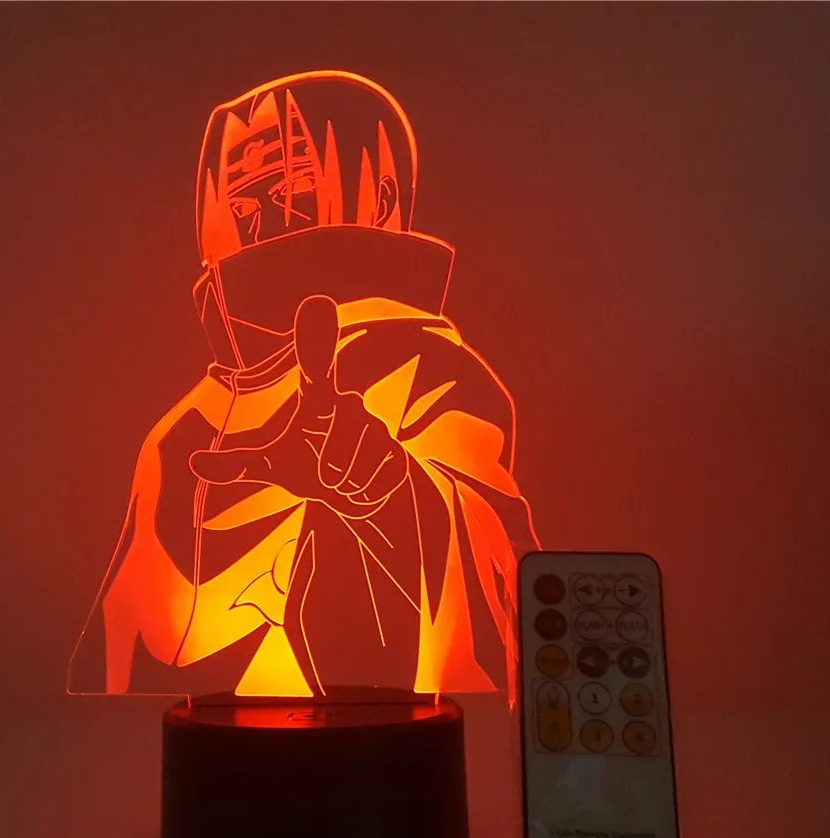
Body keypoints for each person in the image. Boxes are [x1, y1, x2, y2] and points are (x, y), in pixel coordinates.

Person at [69, 71, 538, 698]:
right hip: (202, 746)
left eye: (294, 190)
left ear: (379, 198)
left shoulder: (422, 367)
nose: (264, 223)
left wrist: (383, 496)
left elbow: (497, 580)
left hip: (375, 738)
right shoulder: (178, 436)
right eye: (240, 207)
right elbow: (118, 655)